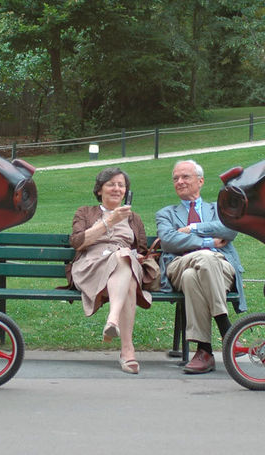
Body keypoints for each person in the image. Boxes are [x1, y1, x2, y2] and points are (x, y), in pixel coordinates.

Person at [156, 159, 246, 374]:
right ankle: (227, 329)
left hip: (222, 269)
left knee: (192, 276)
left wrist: (193, 228)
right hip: (178, 264)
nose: (179, 181)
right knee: (203, 259)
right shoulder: (166, 213)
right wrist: (208, 242)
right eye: (175, 178)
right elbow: (169, 241)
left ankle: (204, 351)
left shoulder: (217, 208)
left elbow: (230, 229)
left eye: (185, 177)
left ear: (201, 181)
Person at [68, 167, 152, 374]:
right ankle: (127, 351)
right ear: (99, 190)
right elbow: (78, 243)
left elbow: (141, 250)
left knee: (126, 261)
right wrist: (109, 222)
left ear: (126, 191)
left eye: (121, 185)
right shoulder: (85, 212)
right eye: (111, 184)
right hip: (92, 266)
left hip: (124, 265)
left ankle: (113, 324)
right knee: (127, 271)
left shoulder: (134, 218)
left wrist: (136, 256)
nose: (117, 189)